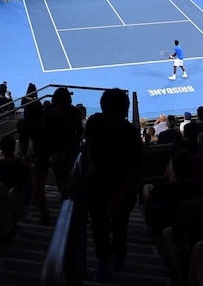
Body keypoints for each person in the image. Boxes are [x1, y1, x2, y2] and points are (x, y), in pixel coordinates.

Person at [85, 89, 143, 282]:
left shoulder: (95, 124)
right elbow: (90, 152)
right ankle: (109, 260)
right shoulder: (131, 134)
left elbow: (134, 174)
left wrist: (116, 201)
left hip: (119, 191)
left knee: (117, 226)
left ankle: (115, 258)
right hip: (101, 189)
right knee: (102, 228)